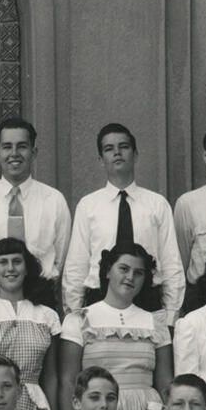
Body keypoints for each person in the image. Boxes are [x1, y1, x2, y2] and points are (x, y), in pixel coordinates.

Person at [63, 121, 185, 322]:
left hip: (146, 297)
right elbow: (76, 264)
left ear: (135, 155)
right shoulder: (88, 205)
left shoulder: (157, 204)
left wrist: (171, 315)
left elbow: (171, 262)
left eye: (124, 147)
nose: (117, 153)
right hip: (100, 297)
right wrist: (74, 315)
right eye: (109, 149)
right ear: (101, 160)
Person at [59, 243, 170, 410]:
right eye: (124, 269)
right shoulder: (80, 319)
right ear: (108, 271)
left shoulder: (156, 323)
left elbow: (165, 382)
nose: (130, 277)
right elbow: (68, 381)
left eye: (138, 273)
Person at [0, 118, 72, 312]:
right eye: (7, 147)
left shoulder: (54, 200)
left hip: (41, 297)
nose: (14, 153)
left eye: (22, 146)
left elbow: (61, 258)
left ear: (34, 152)